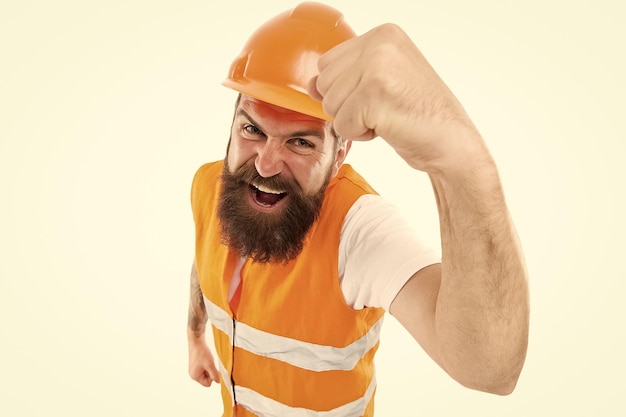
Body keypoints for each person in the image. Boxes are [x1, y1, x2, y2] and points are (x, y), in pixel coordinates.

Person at [187, 2, 530, 416]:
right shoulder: (211, 186)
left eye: (301, 142)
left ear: (339, 154)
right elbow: (203, 261)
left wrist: (461, 164)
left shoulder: (358, 229)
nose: (264, 163)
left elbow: (490, 369)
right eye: (252, 129)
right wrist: (196, 338)